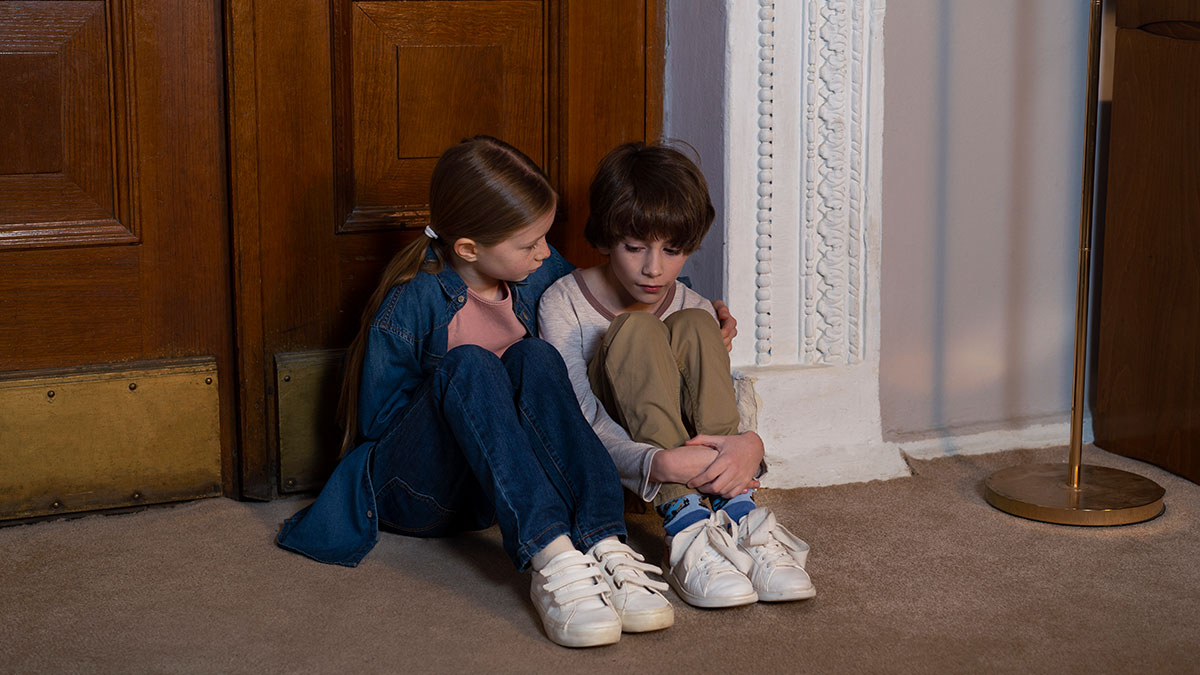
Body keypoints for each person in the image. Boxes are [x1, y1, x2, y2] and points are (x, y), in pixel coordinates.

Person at [275, 136, 675, 648]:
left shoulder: (533, 272)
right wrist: (467, 398)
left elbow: (592, 303)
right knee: (471, 365)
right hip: (418, 491)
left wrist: (693, 317)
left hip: (496, 490)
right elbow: (382, 426)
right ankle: (551, 557)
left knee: (535, 355)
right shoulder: (414, 301)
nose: (543, 253)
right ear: (468, 248)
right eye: (529, 244)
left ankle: (603, 539)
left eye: (543, 240)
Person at [538, 141, 816, 609]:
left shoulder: (696, 307)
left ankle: (739, 515)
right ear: (606, 237)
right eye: (634, 247)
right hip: (632, 454)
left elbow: (720, 399)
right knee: (636, 330)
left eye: (673, 250)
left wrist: (750, 445)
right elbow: (578, 416)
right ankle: (686, 524)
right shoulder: (562, 301)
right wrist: (656, 464)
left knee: (695, 320)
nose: (653, 268)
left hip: (695, 447)